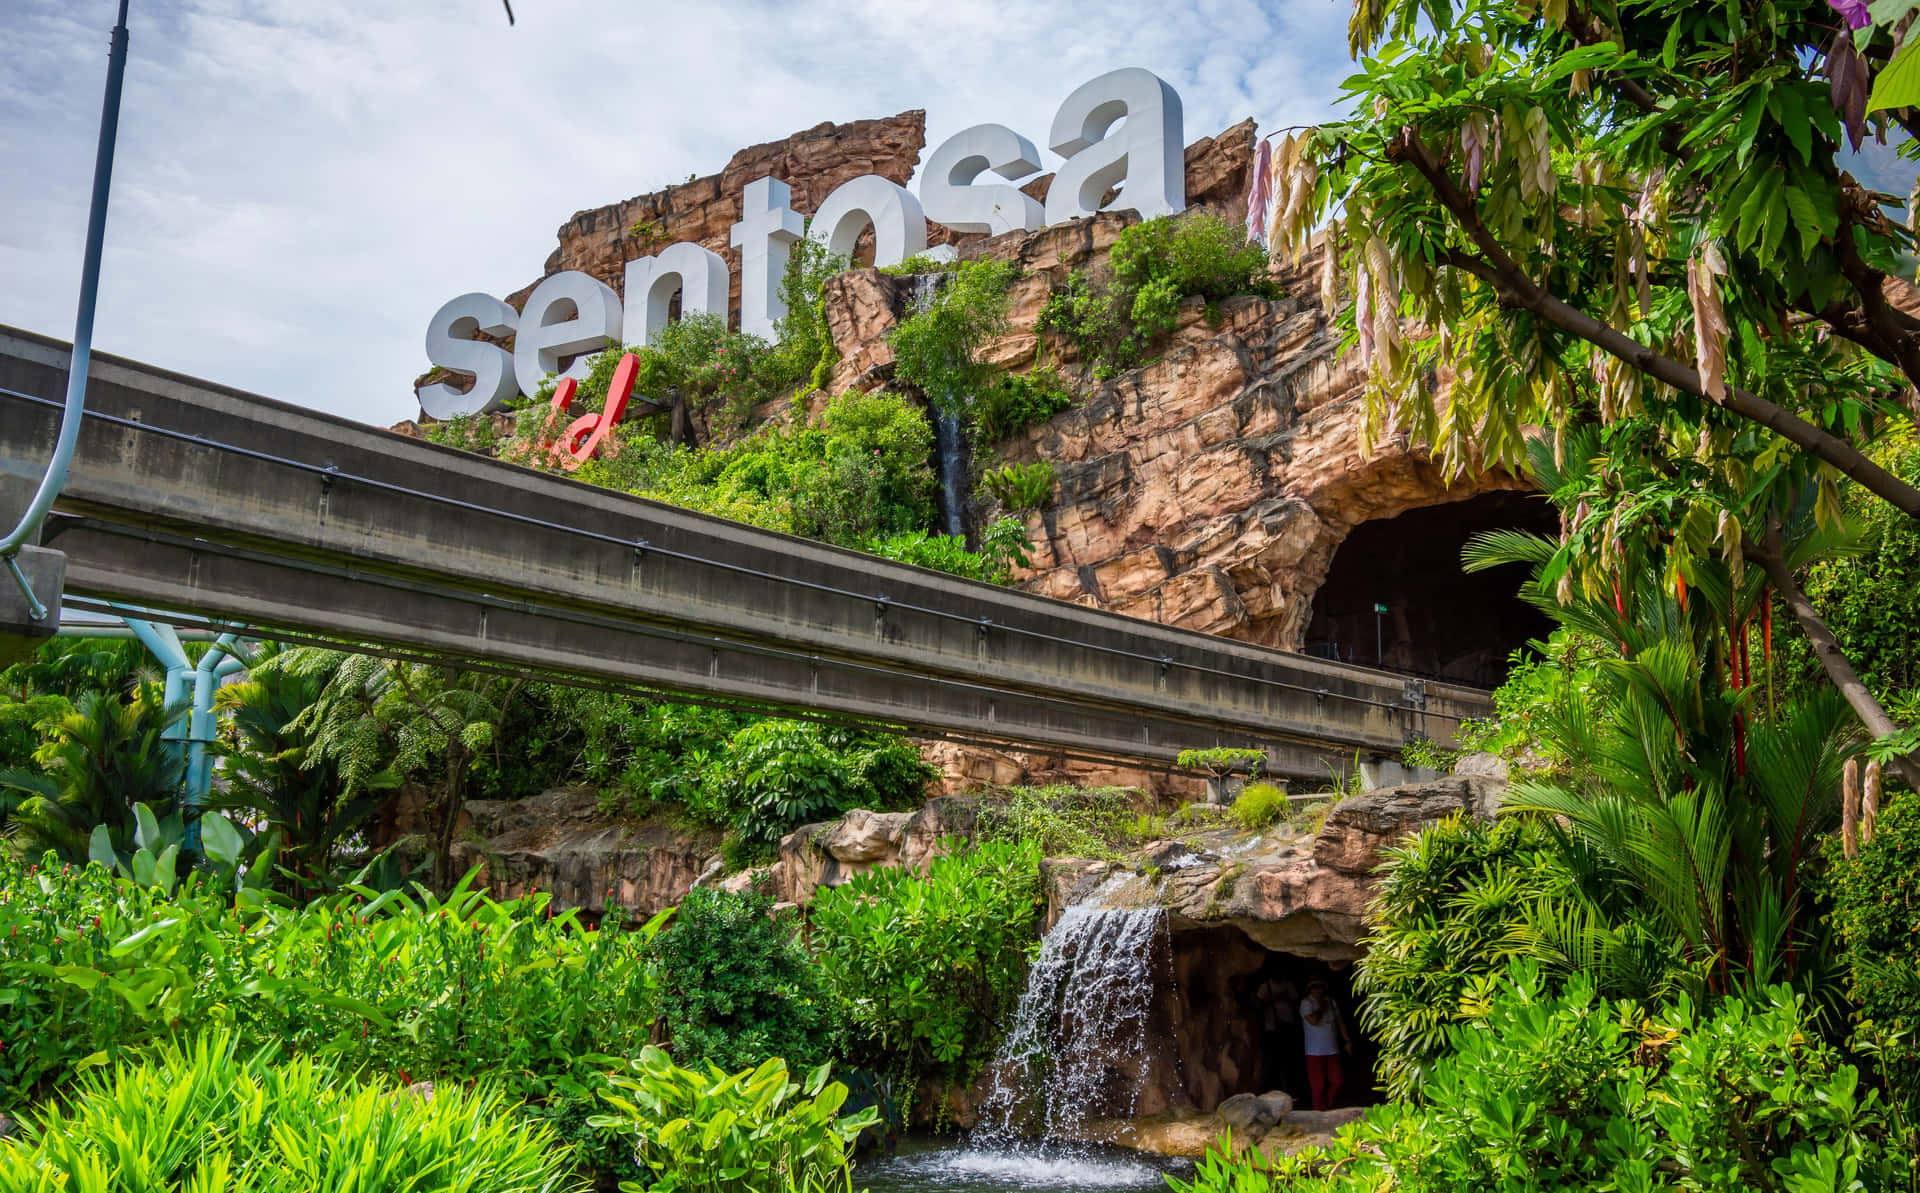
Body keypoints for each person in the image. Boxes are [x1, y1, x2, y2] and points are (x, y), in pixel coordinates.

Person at [1299, 977, 1350, 1111]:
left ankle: (1328, 1105)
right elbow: (1313, 1021)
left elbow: (1339, 1022)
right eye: (1314, 987)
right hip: (1314, 1051)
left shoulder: (1331, 1002)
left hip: (1332, 1049)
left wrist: (1347, 1040)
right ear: (1310, 989)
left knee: (1337, 1081)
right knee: (1318, 1085)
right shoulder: (1306, 1003)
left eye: (1321, 986)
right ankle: (1319, 1111)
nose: (1318, 989)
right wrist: (1321, 1007)